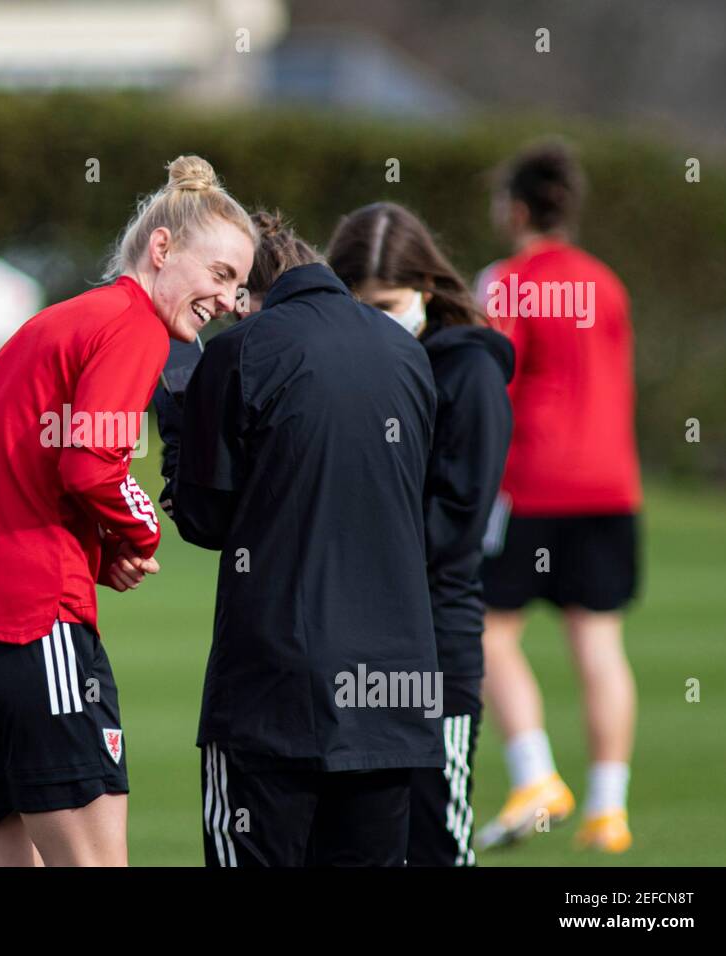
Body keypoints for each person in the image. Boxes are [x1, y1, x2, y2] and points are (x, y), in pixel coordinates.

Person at [0, 155, 255, 866]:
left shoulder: (56, 322)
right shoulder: (134, 326)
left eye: (240, 287)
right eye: (220, 276)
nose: (229, 301)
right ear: (162, 250)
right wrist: (142, 531)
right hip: (27, 624)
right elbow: (90, 462)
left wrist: (100, 546)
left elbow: (26, 472)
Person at [171, 211, 441, 867]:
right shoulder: (407, 352)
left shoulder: (242, 351)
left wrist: (178, 432)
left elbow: (206, 520)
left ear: (245, 295)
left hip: (275, 689)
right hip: (397, 688)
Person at [327, 202, 515, 866]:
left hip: (433, 643)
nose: (374, 320)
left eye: (387, 303)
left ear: (427, 291)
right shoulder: (346, 369)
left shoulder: (470, 372)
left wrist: (348, 553)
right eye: (359, 305)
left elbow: (457, 524)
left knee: (435, 841)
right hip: (351, 647)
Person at [473, 141, 640, 854]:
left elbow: (491, 383)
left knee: (486, 631)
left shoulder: (507, 282)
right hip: (611, 487)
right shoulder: (608, 282)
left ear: (515, 210)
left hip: (534, 485)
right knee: (600, 645)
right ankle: (608, 809)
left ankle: (537, 773)